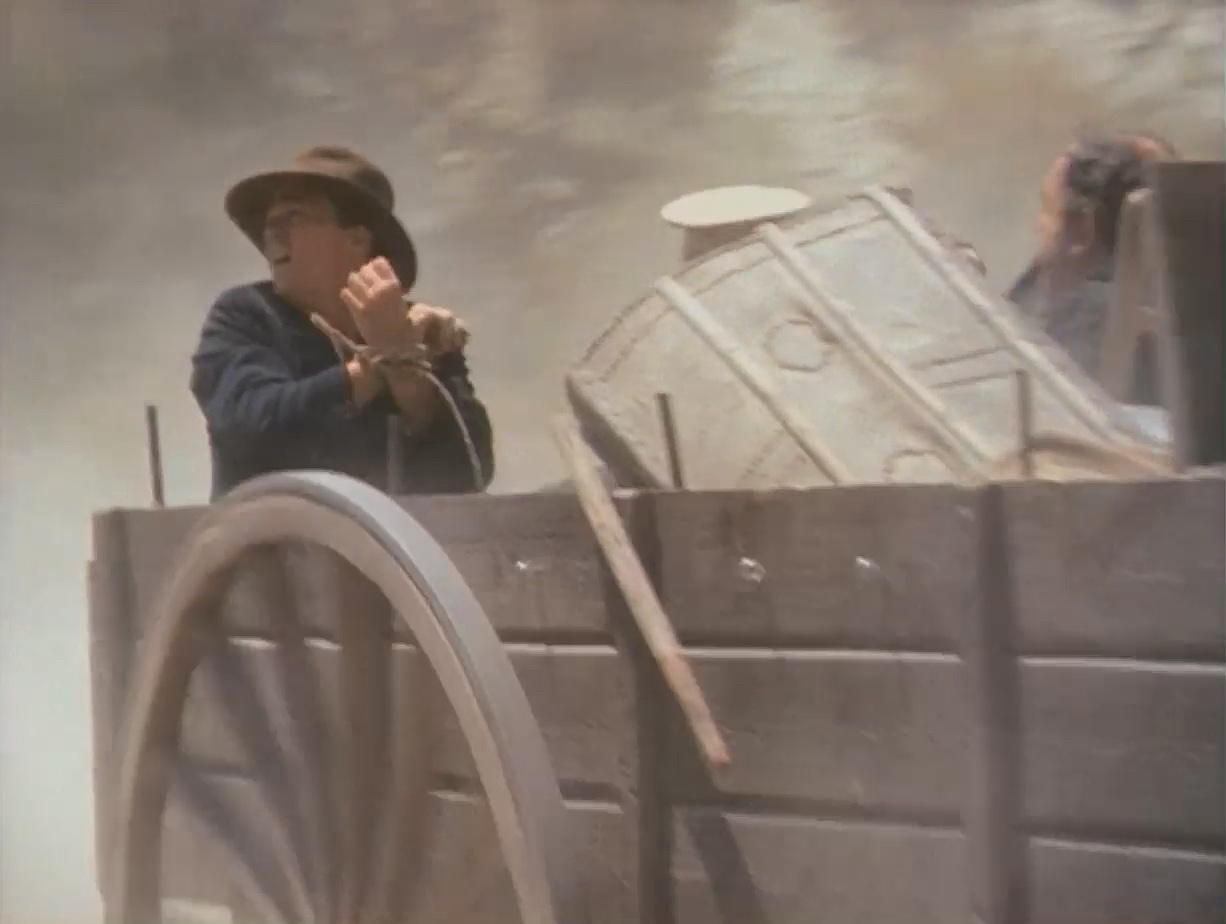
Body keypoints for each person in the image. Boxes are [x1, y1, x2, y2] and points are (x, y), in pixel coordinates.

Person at [191, 145, 495, 500]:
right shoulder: (245, 315)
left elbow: (470, 471)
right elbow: (247, 429)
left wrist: (410, 379)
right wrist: (378, 364)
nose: (271, 233)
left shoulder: (418, 331)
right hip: (269, 533)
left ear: (357, 239)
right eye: (269, 224)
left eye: (293, 218)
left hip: (389, 535)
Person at [1006, 132, 1178, 394]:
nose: (1037, 226)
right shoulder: (1171, 296)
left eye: (1047, 208)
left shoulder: (1091, 327)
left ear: (1083, 230)